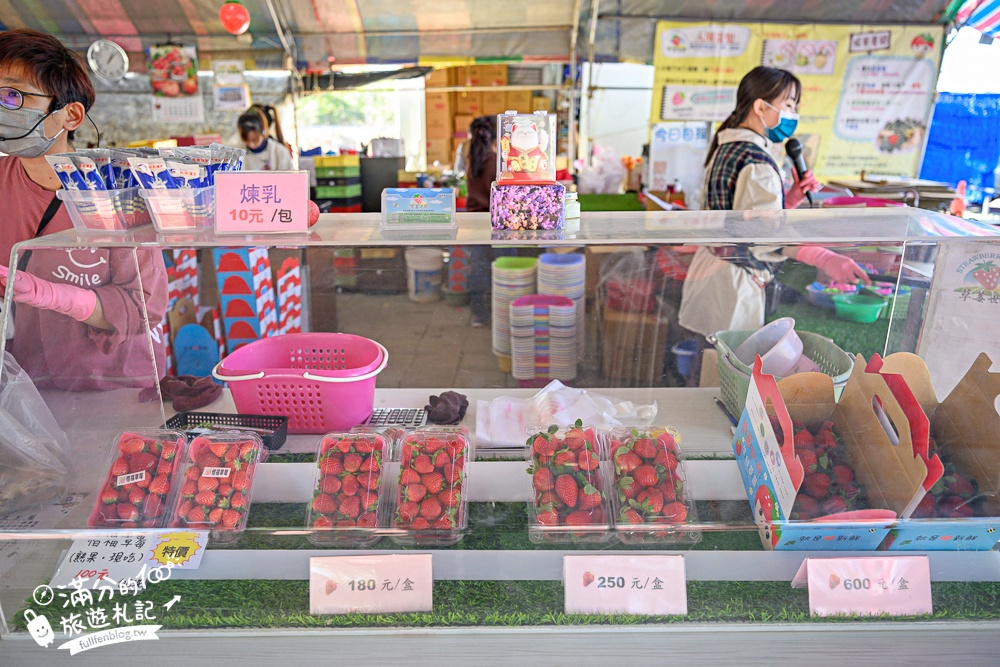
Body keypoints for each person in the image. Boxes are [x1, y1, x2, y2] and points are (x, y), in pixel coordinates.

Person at [0, 29, 168, 391]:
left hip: (112, 388)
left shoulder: (119, 191)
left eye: (12, 95)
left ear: (71, 116)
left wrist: (56, 297)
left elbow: (144, 306)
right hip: (24, 387)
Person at [679, 66, 870, 339]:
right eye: (789, 105)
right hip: (735, 284)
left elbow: (744, 219)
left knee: (711, 355)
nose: (794, 114)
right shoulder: (757, 162)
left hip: (712, 271)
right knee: (731, 360)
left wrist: (789, 200)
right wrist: (823, 257)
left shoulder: (727, 147)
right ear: (760, 107)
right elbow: (765, 234)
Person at [465, 116, 500, 328]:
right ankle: (502, 313)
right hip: (497, 223)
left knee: (478, 269)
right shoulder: (497, 161)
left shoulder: (473, 158)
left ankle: (478, 315)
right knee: (504, 270)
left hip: (475, 222)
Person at [238, 105, 294, 171]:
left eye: (255, 140)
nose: (251, 144)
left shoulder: (280, 152)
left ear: (263, 132)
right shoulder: (239, 154)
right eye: (246, 140)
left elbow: (290, 175)